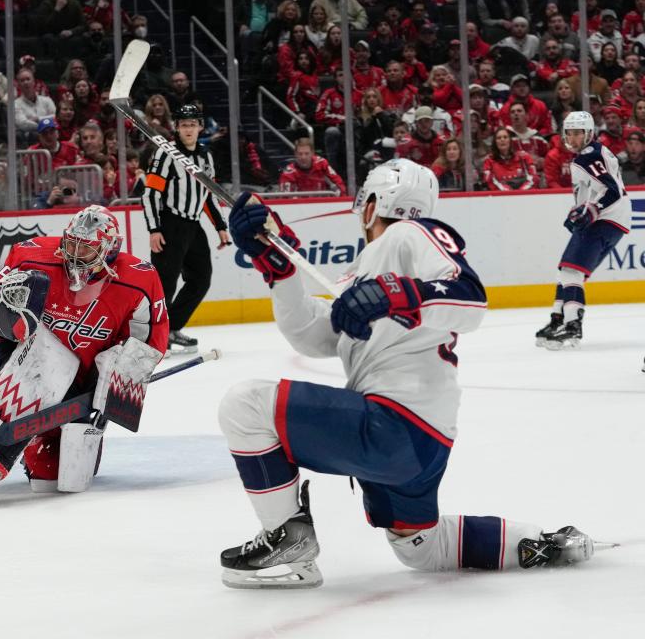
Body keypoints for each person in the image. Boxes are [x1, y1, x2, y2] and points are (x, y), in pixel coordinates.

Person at [216, 158, 597, 589]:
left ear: (372, 203)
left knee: (244, 405)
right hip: (420, 443)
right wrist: (279, 266)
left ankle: (287, 542)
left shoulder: (409, 233)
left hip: (394, 424)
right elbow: (312, 334)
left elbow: (470, 299)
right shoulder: (368, 267)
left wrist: (396, 293)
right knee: (422, 547)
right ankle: (543, 541)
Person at [0, 206, 168, 493]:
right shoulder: (32, 257)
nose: (74, 254)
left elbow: (151, 342)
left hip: (84, 382)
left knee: (53, 481)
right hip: (24, 364)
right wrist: (5, 314)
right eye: (71, 243)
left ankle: (45, 439)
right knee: (46, 356)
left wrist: (117, 377)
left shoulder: (140, 279)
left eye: (86, 248)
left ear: (110, 250)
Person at [535, 111, 631, 349]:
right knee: (566, 271)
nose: (573, 137)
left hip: (605, 219)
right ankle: (558, 319)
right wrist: (581, 210)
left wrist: (593, 210)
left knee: (570, 272)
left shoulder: (587, 157)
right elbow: (598, 189)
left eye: (578, 132)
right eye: (569, 133)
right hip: (609, 220)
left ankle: (572, 326)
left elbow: (612, 190)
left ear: (589, 133)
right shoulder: (593, 152)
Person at [141, 104, 231, 354]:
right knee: (164, 284)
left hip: (193, 226)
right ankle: (154, 337)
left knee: (201, 279)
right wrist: (154, 228)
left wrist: (220, 227)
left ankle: (171, 328)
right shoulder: (165, 154)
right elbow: (150, 194)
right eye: (184, 124)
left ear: (200, 126)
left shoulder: (206, 156)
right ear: (177, 128)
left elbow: (208, 195)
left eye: (192, 124)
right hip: (170, 224)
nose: (188, 129)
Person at [278, 137, 346, 195]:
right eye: (300, 154)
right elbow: (284, 198)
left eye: (306, 153)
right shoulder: (288, 173)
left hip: (323, 205)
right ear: (295, 154)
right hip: (298, 207)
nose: (303, 157)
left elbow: (340, 185)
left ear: (312, 153)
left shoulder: (322, 164)